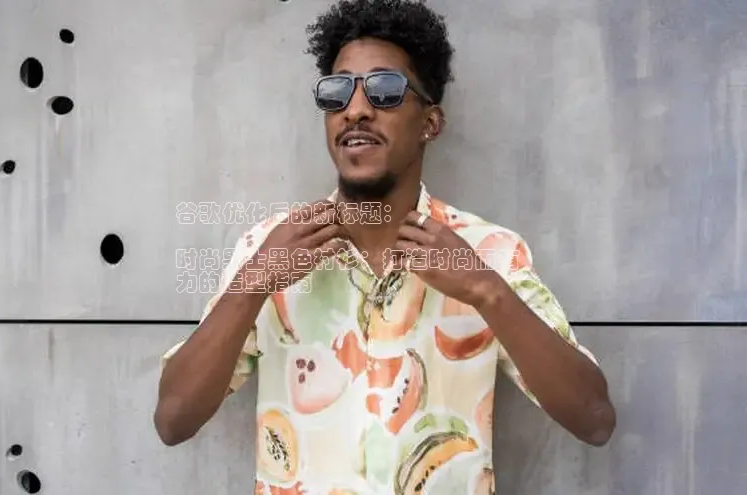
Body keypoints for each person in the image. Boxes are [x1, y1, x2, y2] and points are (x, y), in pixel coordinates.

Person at [153, 0, 616, 493]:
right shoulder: (268, 248)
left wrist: (486, 291)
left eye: (385, 90)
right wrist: (254, 282)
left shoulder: (490, 253)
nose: (355, 110)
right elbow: (173, 420)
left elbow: (594, 420)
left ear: (430, 123)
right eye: (337, 92)